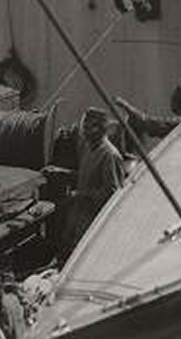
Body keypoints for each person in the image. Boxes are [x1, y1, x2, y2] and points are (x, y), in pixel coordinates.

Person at [61, 107, 126, 256]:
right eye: (84, 126)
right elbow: (88, 176)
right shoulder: (88, 148)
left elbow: (112, 193)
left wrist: (80, 195)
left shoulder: (110, 155)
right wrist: (63, 173)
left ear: (101, 129)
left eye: (89, 127)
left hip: (95, 222)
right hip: (79, 216)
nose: (84, 131)